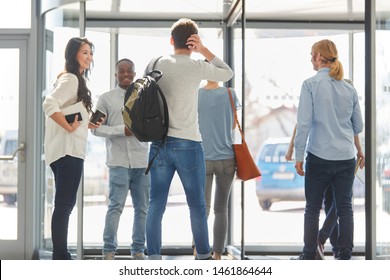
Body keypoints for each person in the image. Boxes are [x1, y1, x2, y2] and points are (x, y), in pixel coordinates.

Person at [145, 18, 234, 260]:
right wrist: (204, 50)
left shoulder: (156, 63)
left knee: (156, 205)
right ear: (192, 42)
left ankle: (153, 257)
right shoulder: (196, 66)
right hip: (188, 143)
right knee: (197, 205)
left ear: (172, 41)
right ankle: (204, 256)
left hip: (158, 144)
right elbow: (227, 72)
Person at [294, 39, 364, 260]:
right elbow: (358, 125)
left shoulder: (310, 85)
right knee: (345, 208)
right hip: (345, 157)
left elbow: (304, 124)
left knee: (312, 208)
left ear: (317, 56)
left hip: (318, 156)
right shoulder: (349, 88)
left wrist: (298, 156)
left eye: (311, 55)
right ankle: (344, 254)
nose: (310, 59)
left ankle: (308, 255)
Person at [42, 37, 101, 260]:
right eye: (85, 52)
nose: (89, 57)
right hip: (68, 152)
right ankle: (61, 255)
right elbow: (49, 104)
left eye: (91, 53)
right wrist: (68, 126)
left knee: (64, 204)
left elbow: (70, 113)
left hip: (64, 152)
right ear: (73, 54)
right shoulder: (71, 79)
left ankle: (61, 254)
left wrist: (88, 122)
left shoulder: (71, 79)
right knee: (64, 205)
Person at [92, 59, 150, 260]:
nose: (126, 74)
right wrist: (121, 131)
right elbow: (95, 129)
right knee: (115, 207)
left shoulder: (144, 97)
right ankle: (108, 251)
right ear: (116, 74)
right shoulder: (106, 99)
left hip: (142, 162)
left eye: (129, 71)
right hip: (118, 163)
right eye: (121, 71)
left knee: (142, 208)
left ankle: (138, 251)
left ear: (134, 74)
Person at [286, 127, 365, 259]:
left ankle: (322, 241)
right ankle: (336, 249)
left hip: (322, 156)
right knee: (334, 203)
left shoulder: (317, 105)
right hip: (342, 156)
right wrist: (358, 149)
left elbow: (301, 123)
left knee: (335, 204)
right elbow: (356, 126)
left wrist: (292, 149)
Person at [195, 78, 239, 260]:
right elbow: (234, 124)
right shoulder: (231, 93)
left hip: (203, 157)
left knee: (201, 208)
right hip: (227, 157)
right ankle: (218, 255)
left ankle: (199, 252)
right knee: (221, 209)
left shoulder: (196, 95)